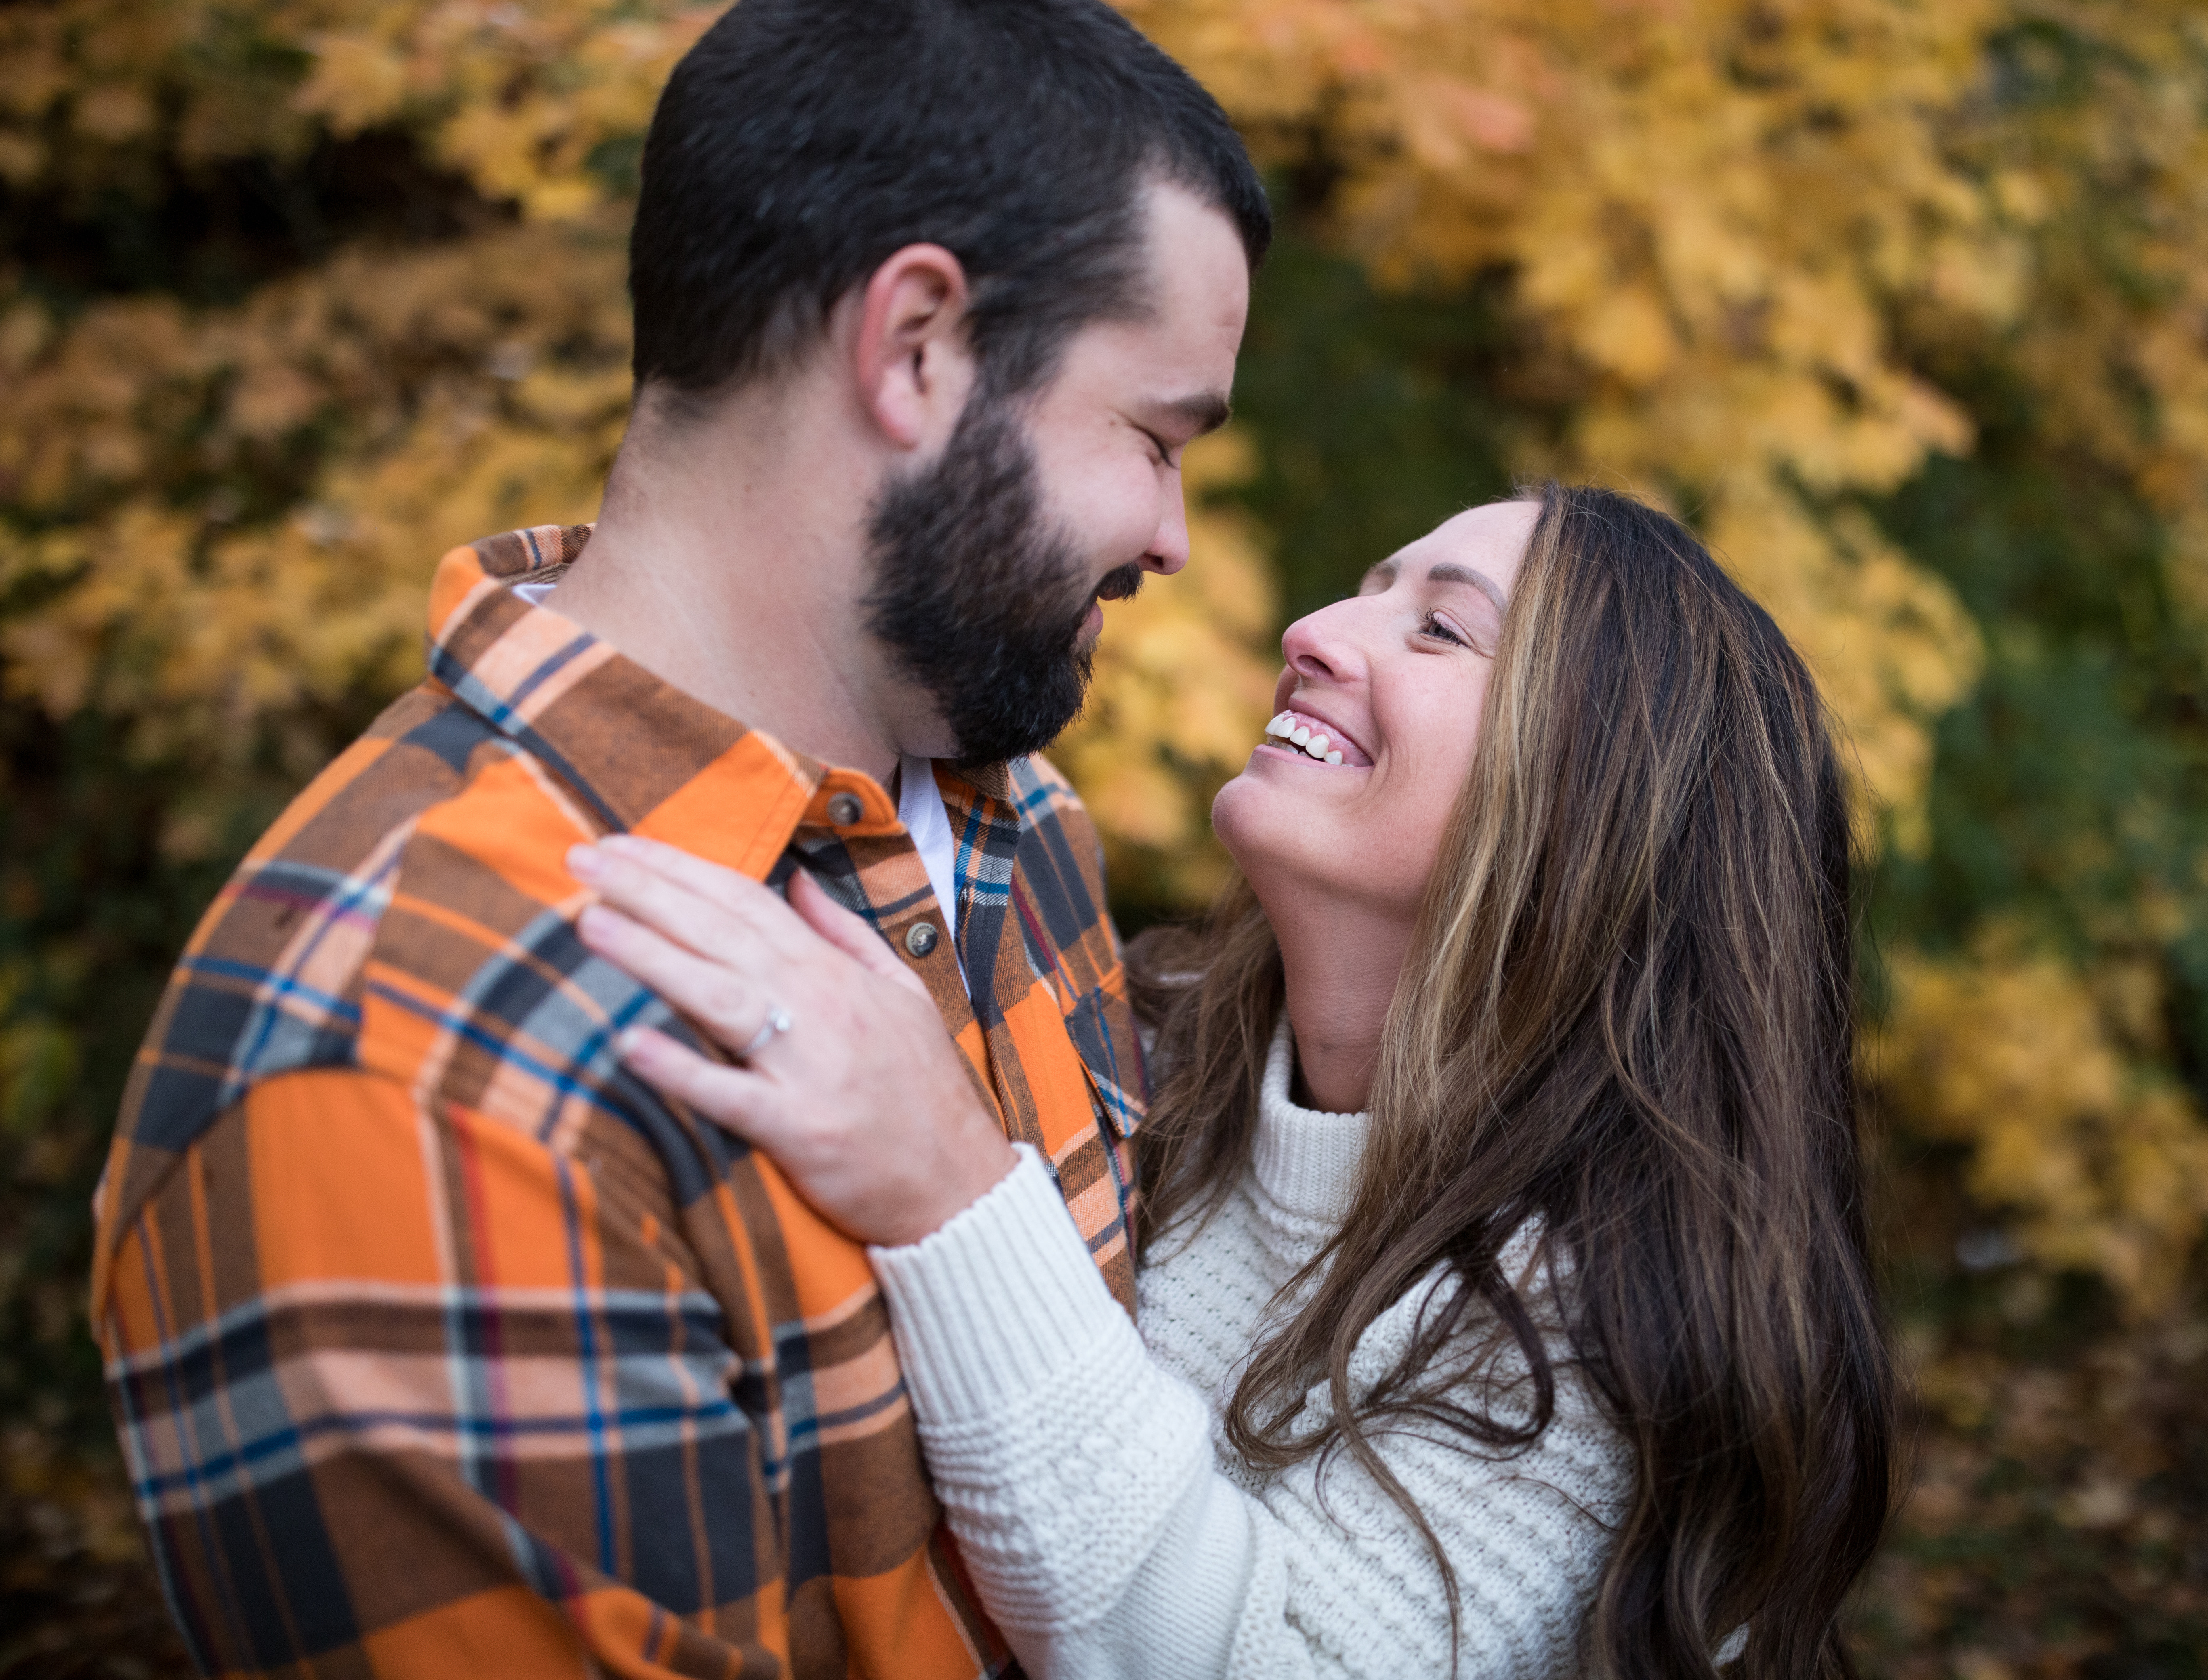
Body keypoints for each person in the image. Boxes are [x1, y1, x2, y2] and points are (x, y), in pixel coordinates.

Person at [89, 2, 1267, 1676]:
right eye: (1153, 437)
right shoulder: (403, 1063)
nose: (1174, 537)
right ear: (918, 346)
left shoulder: (1023, 827)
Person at [567, 483, 1901, 1679]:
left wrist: (950, 1189)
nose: (1314, 629)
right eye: (1368, 588)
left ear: (1592, 802)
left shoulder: (1605, 1306)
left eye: (1439, 629)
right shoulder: (1138, 1037)